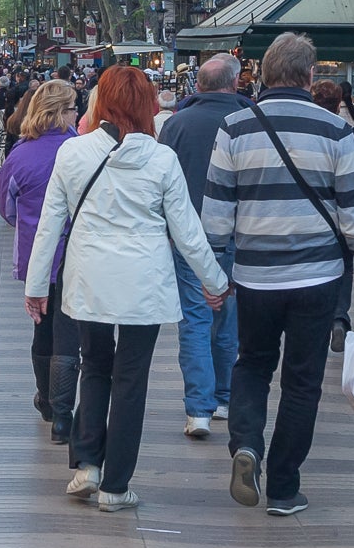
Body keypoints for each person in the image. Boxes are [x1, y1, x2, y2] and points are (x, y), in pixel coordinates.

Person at [24, 67, 226, 513]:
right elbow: (188, 232)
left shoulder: (74, 153)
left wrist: (37, 286)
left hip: (88, 279)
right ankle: (116, 485)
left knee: (95, 366)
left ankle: (87, 465)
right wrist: (215, 283)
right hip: (144, 283)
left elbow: (50, 226)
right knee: (131, 379)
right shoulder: (160, 159)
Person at [205, 33, 354, 518]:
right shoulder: (336, 131)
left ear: (262, 75)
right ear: (310, 76)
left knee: (252, 364)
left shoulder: (234, 127)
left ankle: (246, 445)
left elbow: (216, 214)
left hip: (255, 277)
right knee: (302, 383)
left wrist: (213, 273)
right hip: (318, 279)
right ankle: (284, 487)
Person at [157, 53, 247, 440]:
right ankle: (224, 397)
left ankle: (199, 410)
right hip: (237, 237)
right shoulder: (250, 122)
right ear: (235, 83)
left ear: (198, 85)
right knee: (227, 318)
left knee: (194, 319)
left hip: (187, 238)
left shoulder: (177, 123)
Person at [1, 79, 83, 439]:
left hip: (38, 256)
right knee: (71, 330)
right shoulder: (80, 150)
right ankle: (64, 411)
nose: (77, 113)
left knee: (43, 327)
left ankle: (48, 401)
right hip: (79, 256)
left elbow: (8, 209)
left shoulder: (19, 154)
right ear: (59, 113)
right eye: (73, 107)